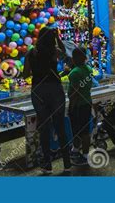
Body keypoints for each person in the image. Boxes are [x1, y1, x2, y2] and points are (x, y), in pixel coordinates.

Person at [23, 27, 71, 174]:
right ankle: (67, 163)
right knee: (60, 127)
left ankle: (47, 165)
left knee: (44, 127)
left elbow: (25, 74)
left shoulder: (31, 52)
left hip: (38, 91)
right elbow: (65, 55)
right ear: (52, 39)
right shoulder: (54, 51)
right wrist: (59, 39)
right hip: (55, 89)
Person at [68, 47, 93, 166]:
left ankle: (82, 155)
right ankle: (79, 152)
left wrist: (71, 106)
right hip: (87, 102)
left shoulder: (75, 72)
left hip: (78, 105)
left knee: (78, 131)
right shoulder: (88, 69)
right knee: (84, 130)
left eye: (73, 56)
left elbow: (75, 92)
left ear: (77, 58)